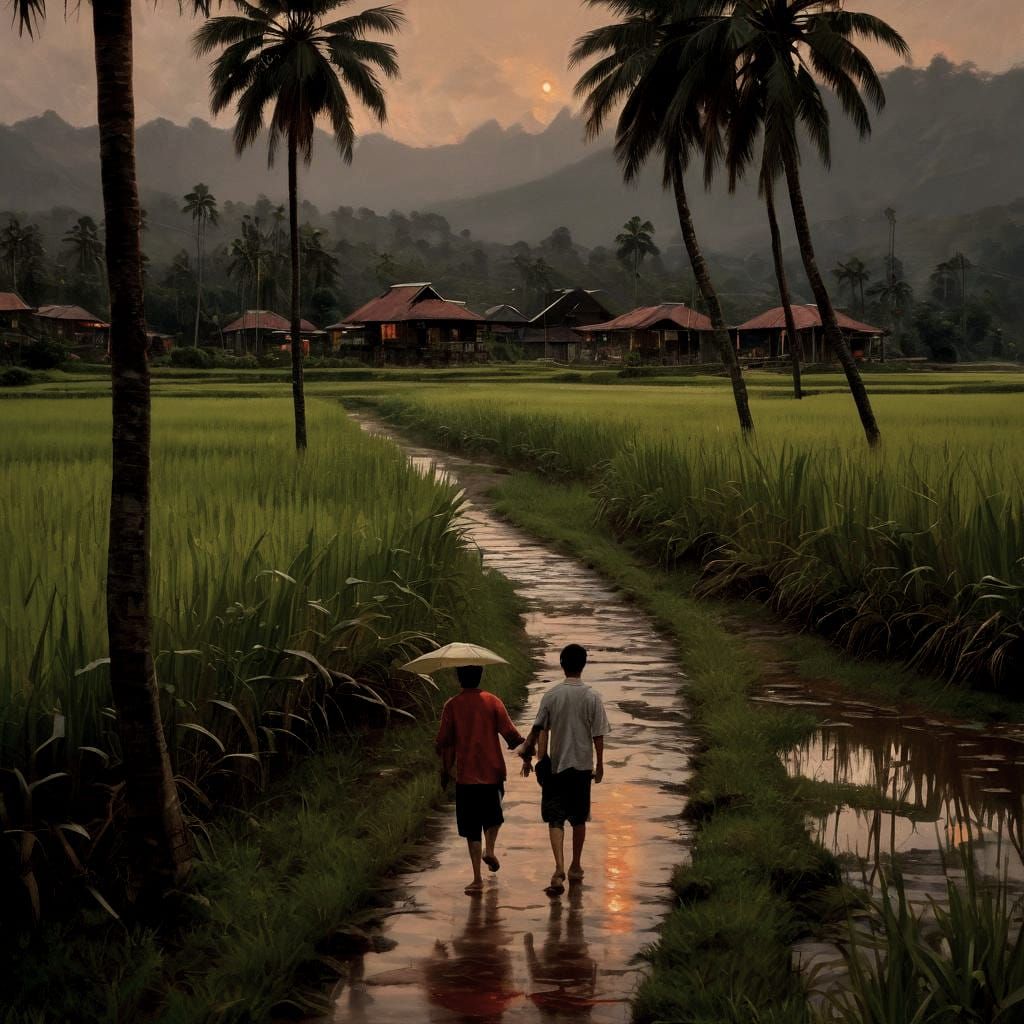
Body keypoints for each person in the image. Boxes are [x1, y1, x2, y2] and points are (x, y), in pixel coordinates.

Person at [519, 644, 610, 896]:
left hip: (556, 767)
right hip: (581, 766)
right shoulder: (592, 697)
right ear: (584, 665)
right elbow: (598, 735)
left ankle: (558, 866)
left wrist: (527, 754)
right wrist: (600, 764)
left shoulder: (551, 695)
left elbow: (538, 729)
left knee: (555, 818)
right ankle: (575, 865)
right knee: (579, 818)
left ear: (562, 664)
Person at [435, 664, 527, 894]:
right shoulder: (492, 701)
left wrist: (445, 771)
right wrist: (527, 755)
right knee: (494, 816)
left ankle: (477, 879)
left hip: (466, 776)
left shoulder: (451, 705)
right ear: (480, 676)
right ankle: (490, 849)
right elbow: (511, 735)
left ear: (459, 678)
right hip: (492, 772)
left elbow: (445, 743)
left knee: (471, 828)